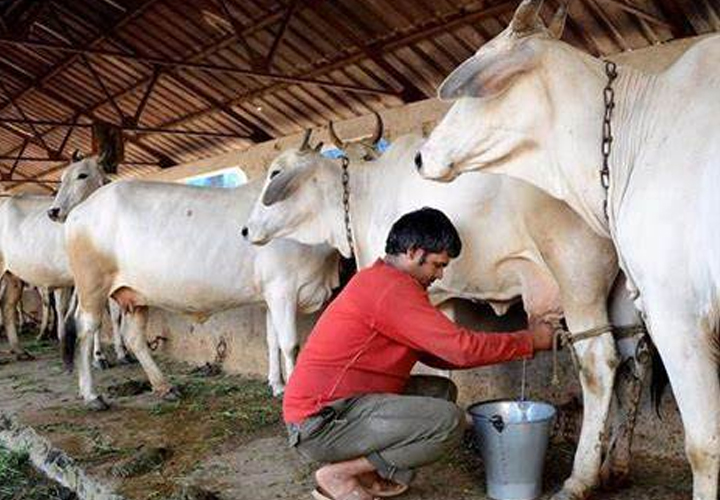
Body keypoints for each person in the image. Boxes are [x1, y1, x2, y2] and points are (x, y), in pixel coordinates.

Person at [284, 207, 555, 500]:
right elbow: (460, 349)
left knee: (439, 391)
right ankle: (339, 475)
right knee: (448, 422)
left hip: (339, 410)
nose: (439, 275)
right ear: (413, 252)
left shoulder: (381, 281)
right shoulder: (390, 289)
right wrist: (529, 341)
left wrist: (503, 347)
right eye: (437, 265)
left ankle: (368, 472)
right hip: (319, 423)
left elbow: (441, 353)